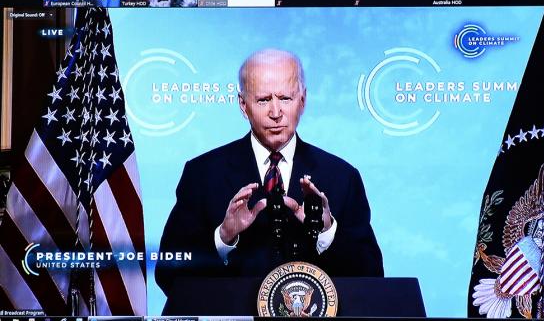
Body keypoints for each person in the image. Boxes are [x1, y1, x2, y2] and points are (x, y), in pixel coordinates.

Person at [155, 49, 384, 297]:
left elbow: (372, 278)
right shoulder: (202, 174)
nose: (276, 113)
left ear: (303, 101)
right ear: (243, 105)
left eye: (285, 98)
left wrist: (327, 232)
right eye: (263, 100)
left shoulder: (342, 177)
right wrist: (223, 237)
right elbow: (168, 275)